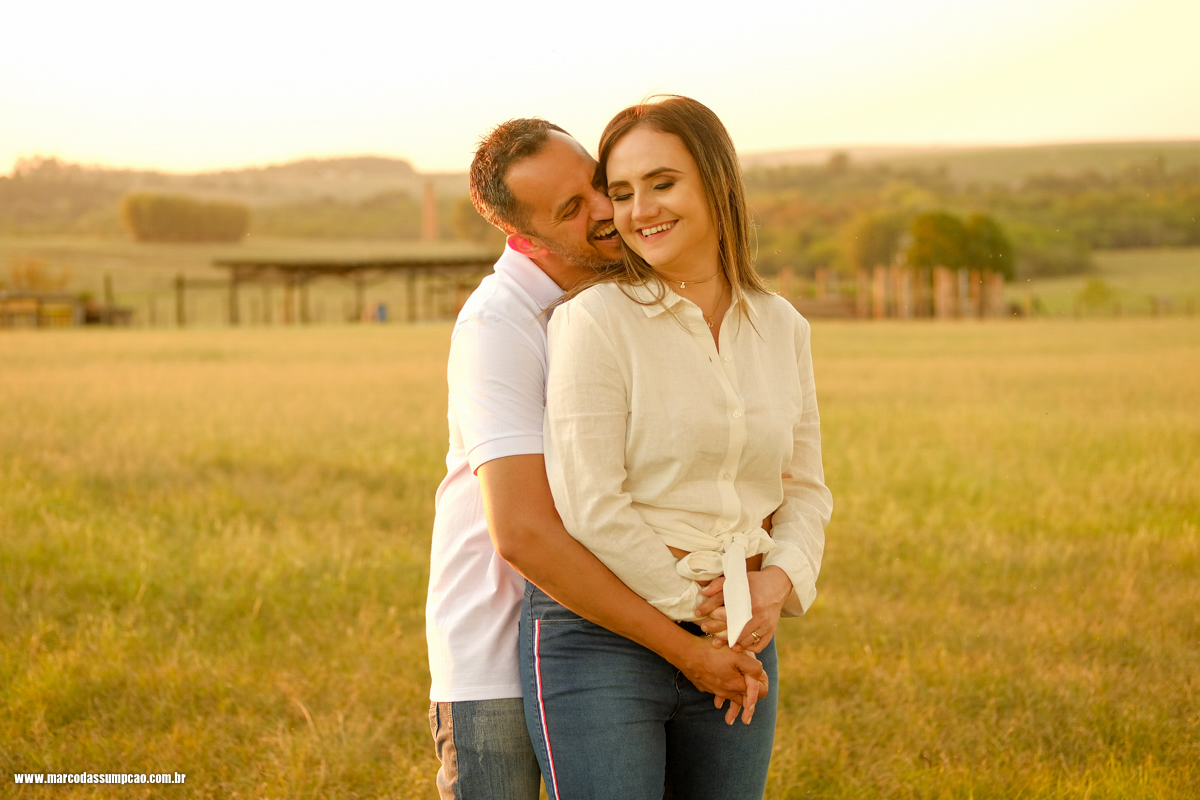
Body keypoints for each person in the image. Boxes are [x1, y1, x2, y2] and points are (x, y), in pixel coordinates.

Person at [425, 117, 767, 800]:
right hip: (499, 652)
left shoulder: (623, 298)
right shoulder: (501, 326)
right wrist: (688, 647)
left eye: (594, 183)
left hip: (614, 623)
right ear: (523, 238)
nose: (609, 209)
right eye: (571, 210)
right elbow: (523, 534)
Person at [523, 96, 833, 799]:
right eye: (623, 192)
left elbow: (806, 490)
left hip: (737, 631)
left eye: (662, 183)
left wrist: (773, 584)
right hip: (603, 637)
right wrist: (700, 614)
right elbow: (593, 506)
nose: (639, 211)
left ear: (718, 183)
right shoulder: (595, 321)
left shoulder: (781, 326)